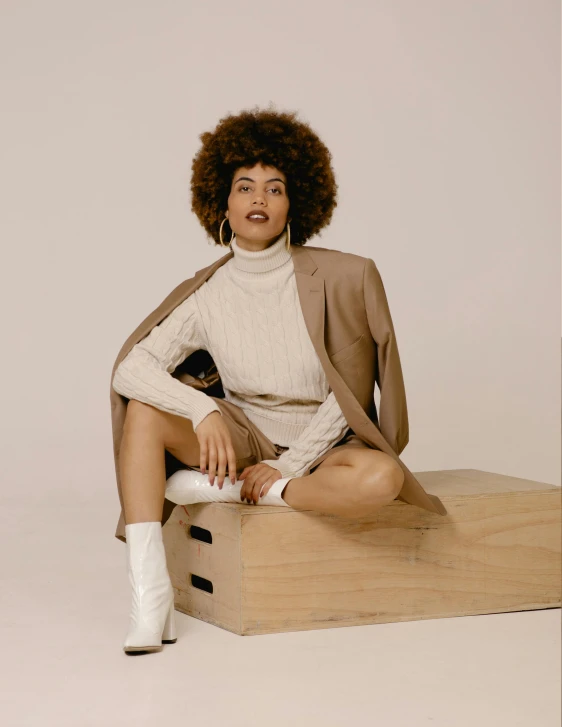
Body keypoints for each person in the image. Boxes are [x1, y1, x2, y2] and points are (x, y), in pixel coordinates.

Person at [113, 105, 405, 654]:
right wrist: (202, 411)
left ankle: (253, 494)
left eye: (275, 188)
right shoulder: (207, 293)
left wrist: (286, 468)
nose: (259, 200)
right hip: (244, 435)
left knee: (382, 480)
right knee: (146, 411)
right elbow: (133, 368)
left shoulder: (344, 276)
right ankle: (150, 598)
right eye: (245, 187)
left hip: (323, 446)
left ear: (296, 202)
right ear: (222, 203)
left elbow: (352, 392)